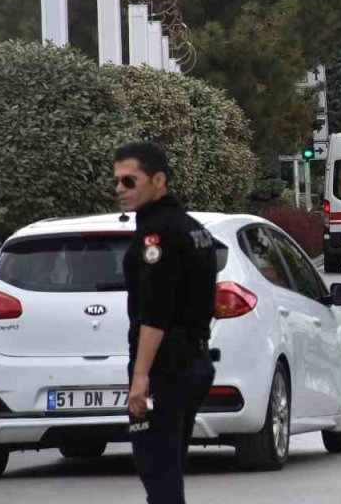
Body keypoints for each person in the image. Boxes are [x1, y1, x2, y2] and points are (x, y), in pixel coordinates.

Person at [117, 141, 218, 504]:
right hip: (194, 360)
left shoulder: (156, 235)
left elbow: (156, 312)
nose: (120, 190)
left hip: (166, 367)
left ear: (158, 180)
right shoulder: (194, 228)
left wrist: (140, 377)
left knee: (157, 472)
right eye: (117, 182)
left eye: (130, 181)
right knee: (168, 468)